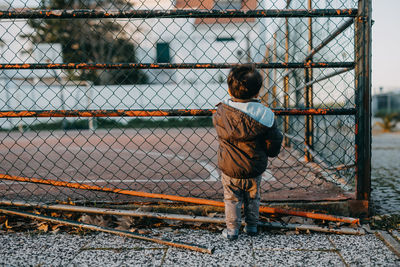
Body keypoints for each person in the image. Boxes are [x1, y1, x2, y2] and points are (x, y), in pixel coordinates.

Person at [212, 64, 283, 240]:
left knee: (231, 199)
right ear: (257, 92)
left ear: (229, 90)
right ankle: (252, 227)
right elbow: (274, 141)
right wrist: (271, 150)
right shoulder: (266, 115)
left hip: (230, 167)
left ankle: (232, 230)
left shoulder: (221, 113)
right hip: (254, 166)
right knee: (253, 197)